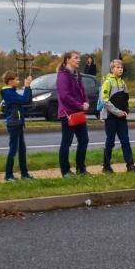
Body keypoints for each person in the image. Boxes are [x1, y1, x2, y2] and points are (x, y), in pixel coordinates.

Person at [100, 59, 135, 173]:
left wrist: (126, 110)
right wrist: (117, 112)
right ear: (112, 69)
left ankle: (130, 165)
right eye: (117, 67)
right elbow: (105, 100)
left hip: (122, 117)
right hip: (110, 117)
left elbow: (126, 98)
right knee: (110, 141)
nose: (120, 69)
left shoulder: (122, 83)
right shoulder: (108, 82)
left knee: (125, 141)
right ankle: (106, 166)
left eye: (121, 67)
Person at [56, 50, 91, 178]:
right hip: (68, 114)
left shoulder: (77, 75)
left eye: (79, 58)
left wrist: (86, 101)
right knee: (67, 141)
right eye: (76, 58)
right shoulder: (62, 75)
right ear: (67, 60)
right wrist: (79, 105)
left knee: (84, 140)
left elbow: (82, 91)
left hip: (79, 113)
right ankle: (65, 171)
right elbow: (65, 96)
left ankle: (81, 169)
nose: (79, 60)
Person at [0, 71, 35, 181]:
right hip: (14, 124)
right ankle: (8, 175)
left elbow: (27, 100)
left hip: (18, 123)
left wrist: (28, 87)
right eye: (17, 79)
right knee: (13, 150)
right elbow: (24, 100)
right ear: (10, 81)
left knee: (22, 150)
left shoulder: (11, 91)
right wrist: (27, 86)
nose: (19, 81)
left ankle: (24, 174)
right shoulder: (8, 93)